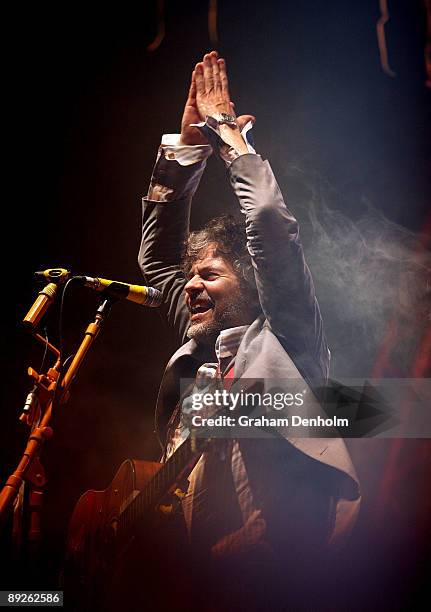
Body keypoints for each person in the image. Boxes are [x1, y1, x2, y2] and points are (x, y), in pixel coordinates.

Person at [138, 51, 360, 610]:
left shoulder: (286, 339)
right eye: (191, 277)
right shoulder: (198, 349)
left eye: (209, 274)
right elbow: (157, 261)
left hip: (288, 583)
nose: (190, 285)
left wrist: (229, 139)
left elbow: (270, 229)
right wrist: (187, 149)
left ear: (252, 286)